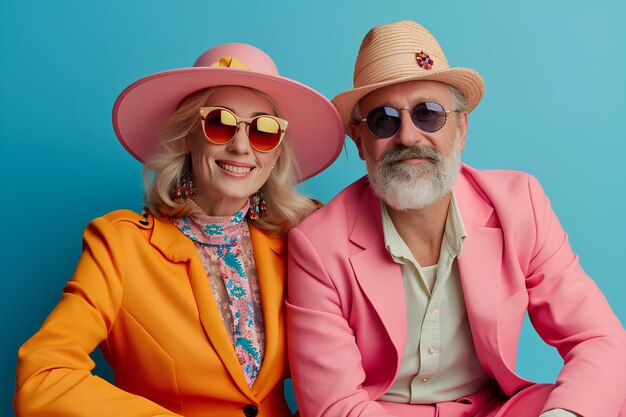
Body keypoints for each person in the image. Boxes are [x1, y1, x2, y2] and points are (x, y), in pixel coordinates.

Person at [286, 20, 626, 417]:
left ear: (461, 129)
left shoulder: (520, 205)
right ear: (360, 141)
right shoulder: (317, 244)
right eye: (384, 120)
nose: (409, 137)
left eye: (428, 114)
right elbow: (335, 404)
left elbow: (599, 339)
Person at [14, 43, 344, 417]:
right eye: (220, 122)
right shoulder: (120, 245)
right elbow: (42, 377)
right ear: (189, 136)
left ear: (275, 152)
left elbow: (356, 370)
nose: (241, 146)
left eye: (263, 131)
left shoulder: (299, 242)